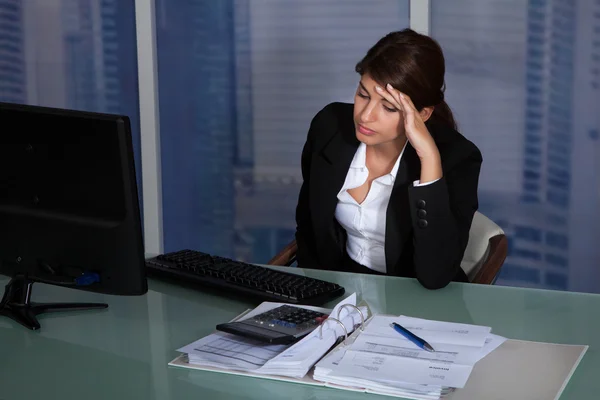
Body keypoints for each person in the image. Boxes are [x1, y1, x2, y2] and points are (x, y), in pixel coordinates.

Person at [294, 29, 482, 289]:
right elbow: (308, 227)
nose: (366, 116)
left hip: (414, 300)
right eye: (363, 94)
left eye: (389, 107)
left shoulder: (457, 158)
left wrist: (428, 158)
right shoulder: (329, 127)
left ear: (423, 114)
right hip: (338, 293)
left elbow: (436, 275)